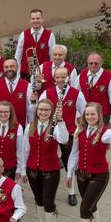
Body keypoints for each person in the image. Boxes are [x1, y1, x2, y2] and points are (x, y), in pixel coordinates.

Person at [22, 99, 68, 222]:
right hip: (32, 170)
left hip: (50, 170)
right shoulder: (30, 126)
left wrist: (60, 121)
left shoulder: (55, 127)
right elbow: (25, 149)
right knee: (39, 200)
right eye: (40, 109)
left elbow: (64, 139)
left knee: (48, 202)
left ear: (51, 112)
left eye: (46, 110)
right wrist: (23, 169)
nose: (43, 112)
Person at [39, 66, 87, 206]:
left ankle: (71, 191)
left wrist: (80, 129)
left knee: (69, 163)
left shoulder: (76, 93)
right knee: (48, 160)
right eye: (58, 77)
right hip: (50, 132)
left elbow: (84, 113)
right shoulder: (47, 93)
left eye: (63, 77)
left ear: (68, 78)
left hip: (70, 131)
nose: (60, 80)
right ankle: (47, 190)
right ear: (54, 79)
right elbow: (39, 111)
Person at [70, 52, 111, 128]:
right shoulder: (82, 74)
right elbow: (75, 96)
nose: (93, 65)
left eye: (96, 63)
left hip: (103, 117)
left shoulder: (108, 77)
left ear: (101, 63)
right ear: (87, 63)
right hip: (86, 116)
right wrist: (78, 115)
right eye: (91, 63)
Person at [0, 58, 34, 128]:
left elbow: (30, 109)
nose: (9, 69)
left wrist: (31, 125)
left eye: (12, 66)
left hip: (20, 127)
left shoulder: (27, 86)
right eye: (6, 67)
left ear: (17, 67)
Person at [14, 9, 56, 79]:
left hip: (43, 73)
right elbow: (18, 56)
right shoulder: (23, 34)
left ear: (42, 19)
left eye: (38, 18)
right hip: (26, 73)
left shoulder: (50, 35)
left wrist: (52, 72)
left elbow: (52, 56)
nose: (35, 21)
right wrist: (17, 74)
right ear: (30, 20)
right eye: (33, 19)